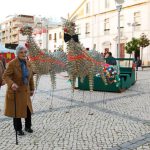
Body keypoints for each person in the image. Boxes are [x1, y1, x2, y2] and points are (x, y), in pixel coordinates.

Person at [2, 45, 34, 136]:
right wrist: (12, 84)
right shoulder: (12, 63)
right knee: (17, 112)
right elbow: (5, 76)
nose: (24, 54)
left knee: (28, 110)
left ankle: (28, 126)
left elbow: (30, 77)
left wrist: (32, 89)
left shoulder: (28, 63)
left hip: (25, 91)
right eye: (21, 52)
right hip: (16, 91)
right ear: (17, 53)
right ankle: (18, 129)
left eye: (25, 52)